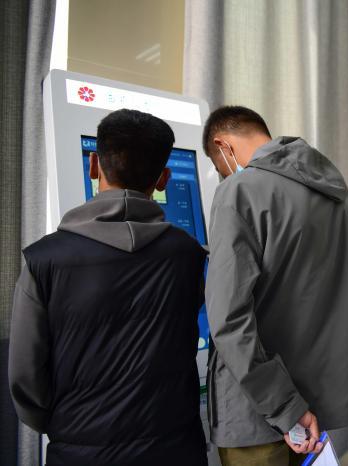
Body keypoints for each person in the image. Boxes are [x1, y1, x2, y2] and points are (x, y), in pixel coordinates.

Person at [8, 109, 208, 466]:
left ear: (93, 166)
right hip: (176, 448)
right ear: (163, 179)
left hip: (80, 452)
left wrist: (69, 427)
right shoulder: (190, 254)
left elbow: (25, 377)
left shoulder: (44, 260)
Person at [202, 106, 348, 466]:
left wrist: (284, 406)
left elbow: (228, 320)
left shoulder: (238, 191)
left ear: (223, 146)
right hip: (315, 402)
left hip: (259, 410)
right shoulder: (335, 191)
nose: (223, 175)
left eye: (218, 167)